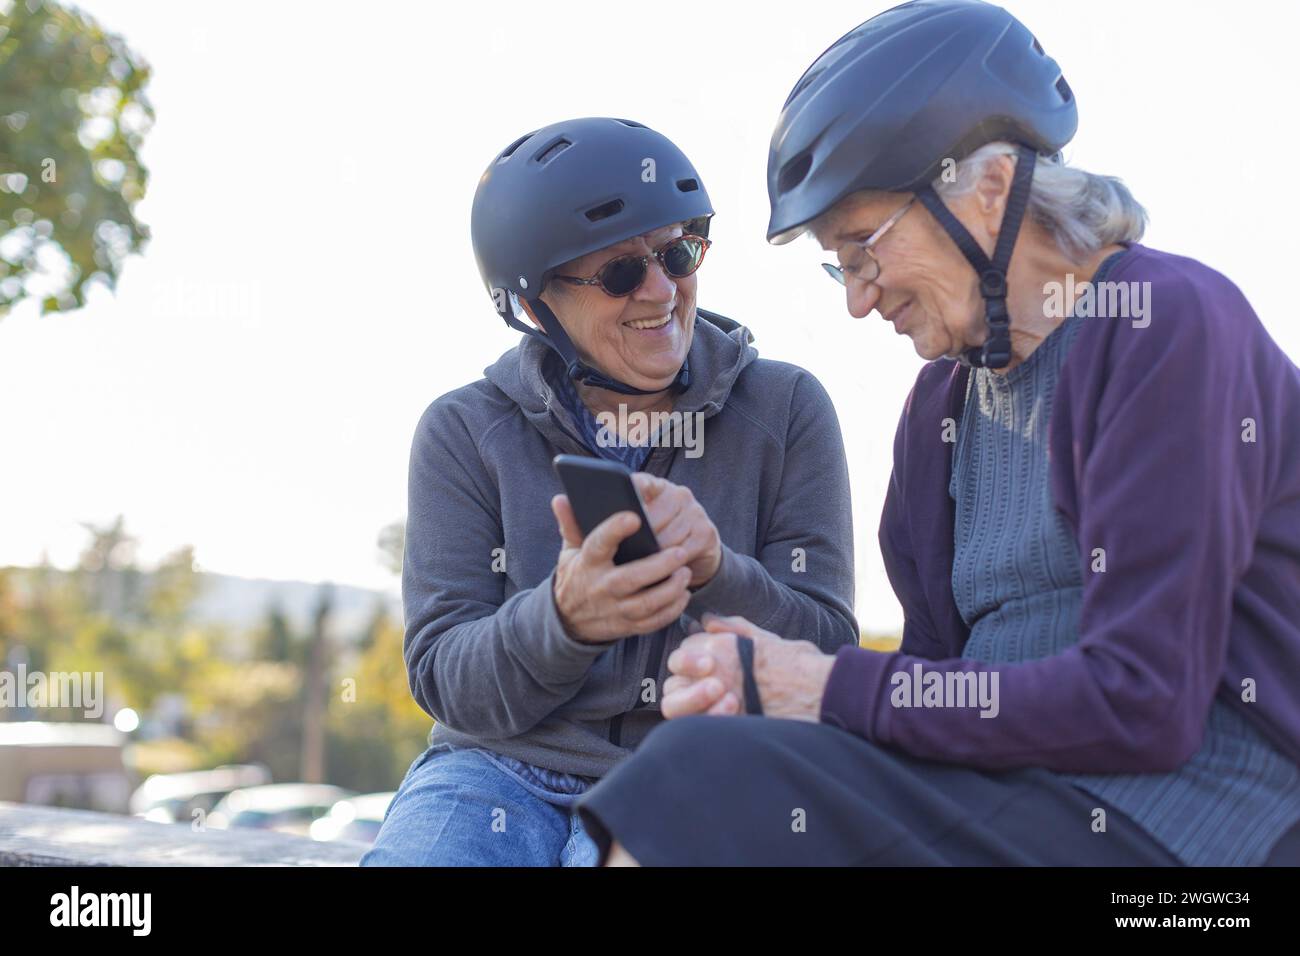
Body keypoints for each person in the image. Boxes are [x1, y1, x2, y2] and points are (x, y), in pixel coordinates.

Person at [576, 0, 1300, 866]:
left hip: (1205, 824)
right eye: (839, 265)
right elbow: (926, 689)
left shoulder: (1161, 326)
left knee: (701, 779)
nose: (857, 296)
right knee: (699, 766)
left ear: (989, 192)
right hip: (1012, 797)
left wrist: (827, 685)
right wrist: (772, 692)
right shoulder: (939, 414)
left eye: (863, 250)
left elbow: (1143, 701)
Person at [360, 117, 859, 866]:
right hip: (490, 769)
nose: (661, 290)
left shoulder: (786, 410)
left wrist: (718, 574)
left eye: (678, 253)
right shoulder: (462, 431)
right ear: (536, 307)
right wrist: (564, 619)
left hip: (697, 773)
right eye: (621, 273)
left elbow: (827, 654)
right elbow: (445, 679)